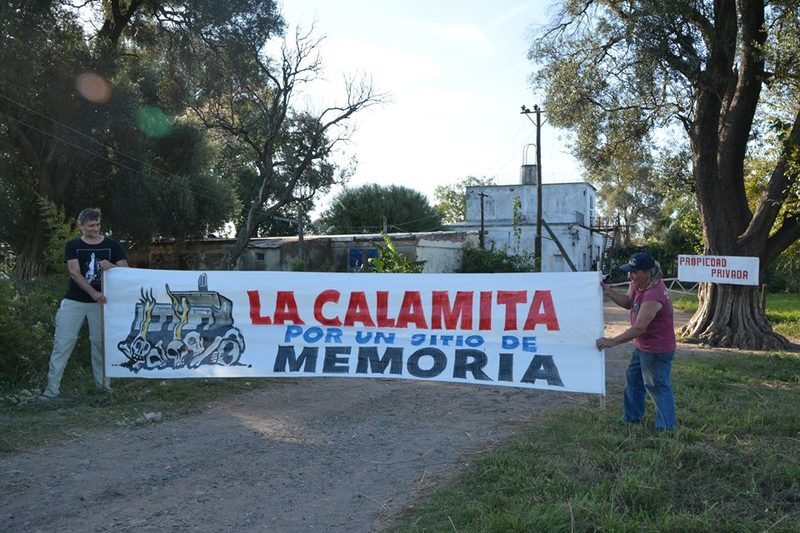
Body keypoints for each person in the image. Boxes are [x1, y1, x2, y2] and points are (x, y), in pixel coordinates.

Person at [40, 208, 129, 400]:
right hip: (75, 300)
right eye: (91, 226)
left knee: (100, 345)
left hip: (102, 303)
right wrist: (94, 293)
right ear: (81, 226)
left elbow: (125, 271)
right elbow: (75, 273)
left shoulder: (113, 245)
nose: (95, 229)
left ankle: (104, 389)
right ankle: (51, 390)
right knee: (62, 343)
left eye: (98, 225)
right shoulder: (72, 245)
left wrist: (111, 266)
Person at [596, 252, 677, 430]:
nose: (630, 276)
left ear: (647, 273)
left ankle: (667, 428)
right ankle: (632, 419)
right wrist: (609, 291)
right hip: (644, 346)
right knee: (633, 380)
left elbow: (640, 328)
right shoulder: (637, 285)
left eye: (634, 272)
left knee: (657, 386)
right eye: (629, 272)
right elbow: (628, 302)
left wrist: (611, 341)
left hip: (657, 349)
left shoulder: (654, 294)